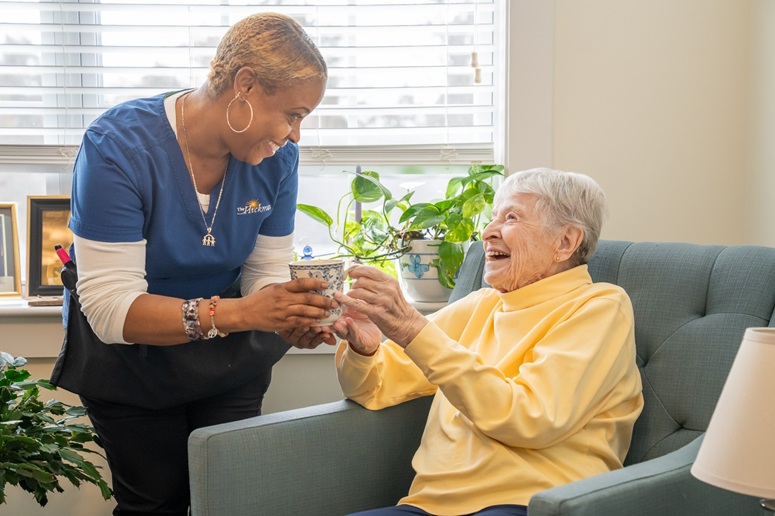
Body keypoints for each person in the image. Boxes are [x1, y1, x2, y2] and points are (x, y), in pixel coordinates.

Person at [49, 12, 333, 516]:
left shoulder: (277, 161)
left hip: (229, 360)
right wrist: (245, 314)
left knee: (230, 497)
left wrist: (291, 316)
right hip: (129, 359)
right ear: (245, 85)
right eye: (292, 114)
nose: (294, 136)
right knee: (155, 503)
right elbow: (114, 310)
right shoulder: (117, 148)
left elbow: (265, 275)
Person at [328, 168, 644, 516]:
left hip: (530, 504)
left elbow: (531, 419)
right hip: (427, 506)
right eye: (493, 218)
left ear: (565, 242)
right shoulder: (482, 304)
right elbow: (373, 388)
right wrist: (365, 348)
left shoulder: (599, 308)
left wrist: (411, 329)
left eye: (511, 218)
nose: (488, 232)